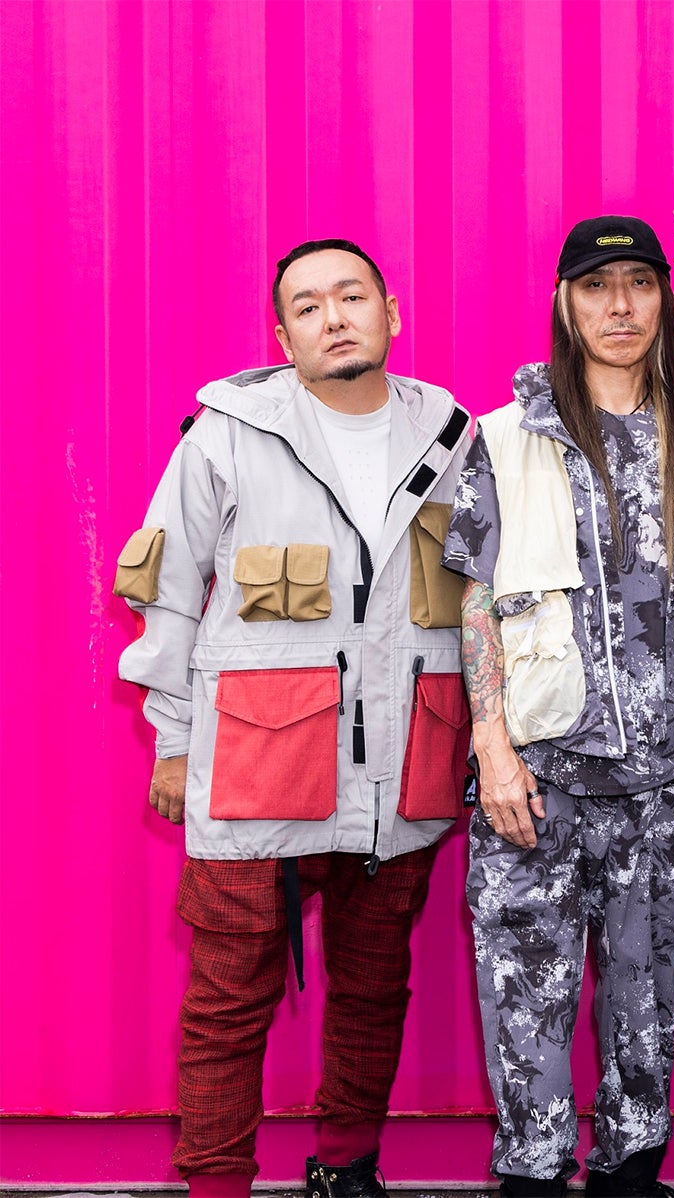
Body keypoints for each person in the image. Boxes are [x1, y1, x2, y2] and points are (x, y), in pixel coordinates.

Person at [115, 239, 475, 1198]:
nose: (333, 317)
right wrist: (173, 739)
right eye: (308, 306)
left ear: (391, 312)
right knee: (227, 1004)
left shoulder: (453, 436)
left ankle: (348, 1167)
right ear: (283, 338)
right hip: (257, 768)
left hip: (404, 766)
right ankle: (216, 1187)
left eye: (351, 296)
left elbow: (488, 602)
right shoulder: (225, 436)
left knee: (374, 989)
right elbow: (166, 591)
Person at [444, 215, 674, 1198]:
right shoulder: (504, 438)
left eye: (640, 284)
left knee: (646, 1005)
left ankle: (630, 1174)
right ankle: (529, 1178)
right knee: (527, 1000)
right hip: (542, 780)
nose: (620, 306)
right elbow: (475, 601)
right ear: (565, 303)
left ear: (663, 301)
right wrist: (492, 749)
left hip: (664, 784)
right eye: (598, 286)